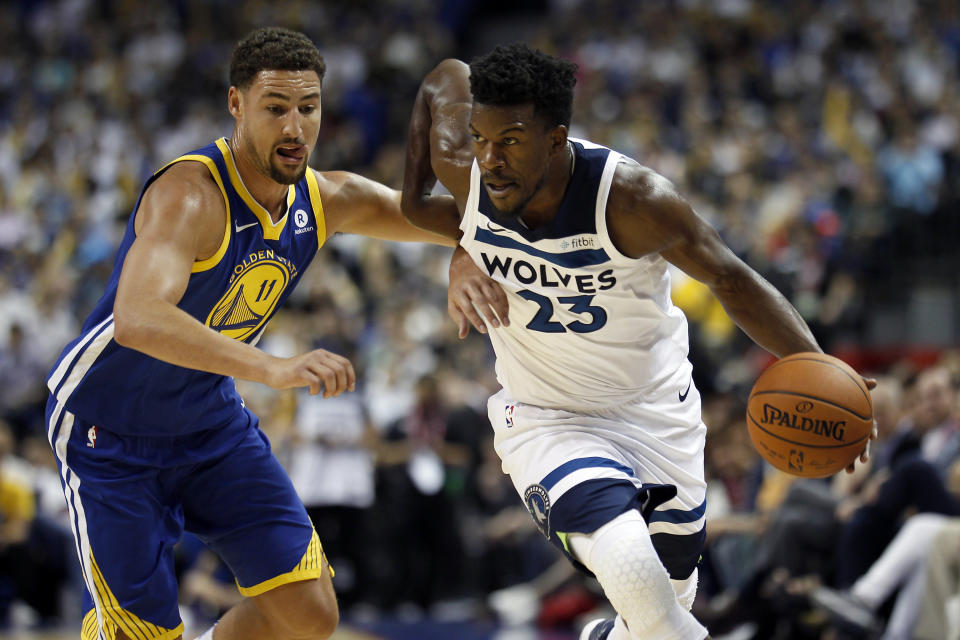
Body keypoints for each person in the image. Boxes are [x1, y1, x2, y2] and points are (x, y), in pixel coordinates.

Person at [401, 43, 873, 640]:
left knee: (659, 612)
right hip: (549, 418)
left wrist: (823, 369)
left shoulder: (631, 200)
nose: (490, 158)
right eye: (481, 137)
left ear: (556, 139)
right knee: (629, 566)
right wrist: (462, 245)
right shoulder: (469, 170)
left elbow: (732, 279)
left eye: (511, 141)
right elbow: (443, 82)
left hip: (657, 417)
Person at [44, 27, 452, 640]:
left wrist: (471, 248)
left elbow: (432, 216)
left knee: (309, 614)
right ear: (236, 105)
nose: (295, 127)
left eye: (308, 109)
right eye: (276, 108)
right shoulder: (190, 194)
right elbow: (138, 318)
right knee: (144, 633)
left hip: (208, 423)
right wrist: (273, 369)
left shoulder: (325, 199)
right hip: (110, 434)